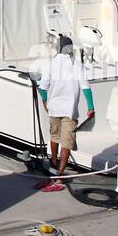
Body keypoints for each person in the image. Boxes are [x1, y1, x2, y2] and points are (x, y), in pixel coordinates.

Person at [37, 35, 94, 193]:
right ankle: (60, 177)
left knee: (54, 138)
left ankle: (53, 169)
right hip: (70, 111)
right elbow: (85, 87)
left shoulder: (50, 64)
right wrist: (90, 106)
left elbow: (42, 87)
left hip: (53, 108)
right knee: (66, 142)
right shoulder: (76, 64)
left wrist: (44, 100)